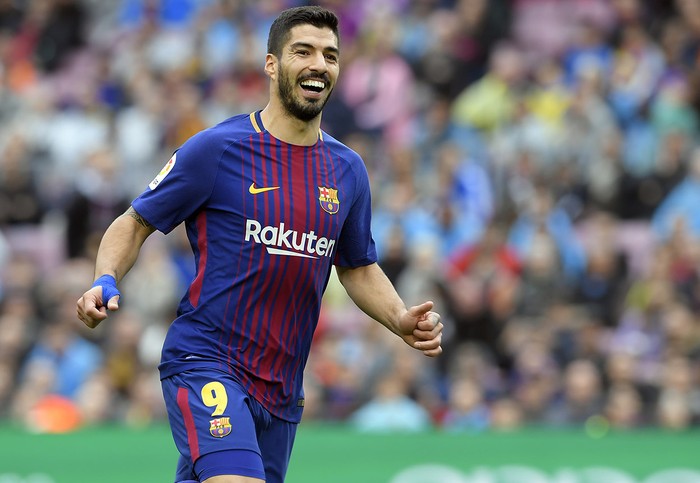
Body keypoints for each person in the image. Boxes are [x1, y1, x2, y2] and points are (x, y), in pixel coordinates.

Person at [76, 6, 443, 483]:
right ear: (272, 64)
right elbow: (135, 222)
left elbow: (356, 266)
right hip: (206, 362)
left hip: (282, 392)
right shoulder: (216, 149)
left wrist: (399, 317)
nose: (319, 64)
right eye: (303, 52)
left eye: (330, 55)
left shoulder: (348, 169)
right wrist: (105, 278)